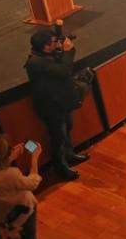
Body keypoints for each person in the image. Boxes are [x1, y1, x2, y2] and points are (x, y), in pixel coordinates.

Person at [23, 30, 89, 181]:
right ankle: (61, 167)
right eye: (54, 42)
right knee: (58, 137)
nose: (57, 44)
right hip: (51, 107)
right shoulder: (36, 62)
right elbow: (64, 71)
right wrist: (68, 50)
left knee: (67, 129)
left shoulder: (44, 55)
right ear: (46, 47)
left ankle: (69, 155)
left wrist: (62, 50)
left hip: (60, 102)